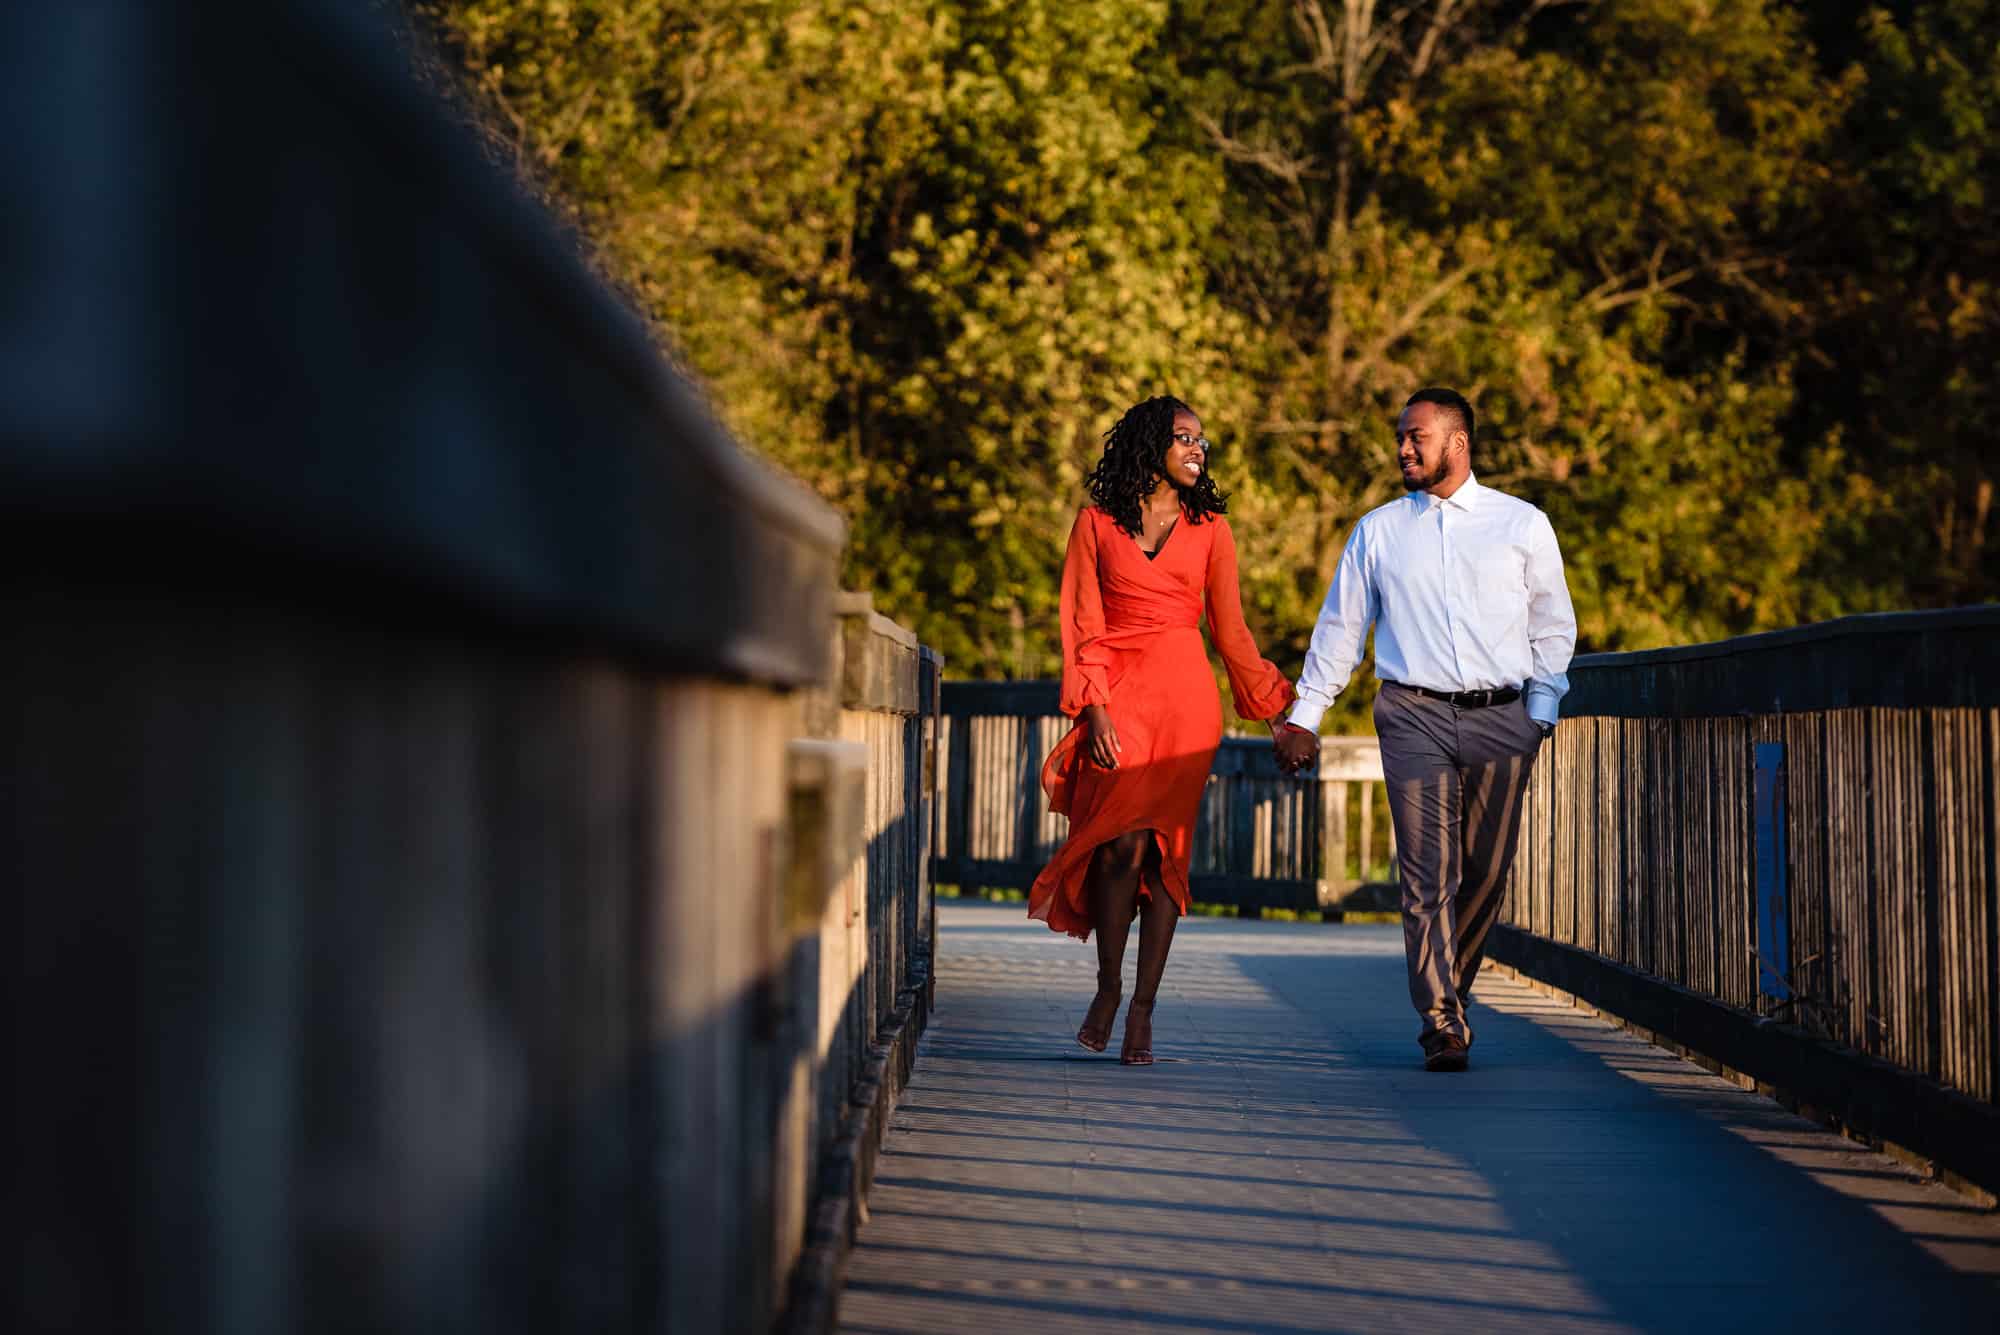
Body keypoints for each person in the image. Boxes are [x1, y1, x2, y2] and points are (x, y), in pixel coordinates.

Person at [1274, 387, 1576, 1072]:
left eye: (1417, 437)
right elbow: (1341, 630)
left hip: (1504, 717)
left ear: (1457, 442)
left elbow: (1553, 625)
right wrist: (1305, 715)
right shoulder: (1378, 531)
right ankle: (1440, 1016)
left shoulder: (1522, 523)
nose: (1403, 449)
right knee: (1426, 874)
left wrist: (1541, 712)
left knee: (1485, 872)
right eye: (1401, 438)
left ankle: (1451, 993)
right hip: (1411, 713)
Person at [1028, 394, 1295, 1064]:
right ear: (1150, 443)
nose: (1198, 450)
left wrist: (1276, 717)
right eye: (1184, 437)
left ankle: (1143, 1006)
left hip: (1184, 704)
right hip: (1117, 696)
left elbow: (1230, 632)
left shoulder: (1211, 529)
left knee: (1162, 849)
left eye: (1203, 440)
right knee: (1117, 846)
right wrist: (1093, 708)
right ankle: (1110, 986)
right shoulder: (1094, 525)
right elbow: (1082, 621)